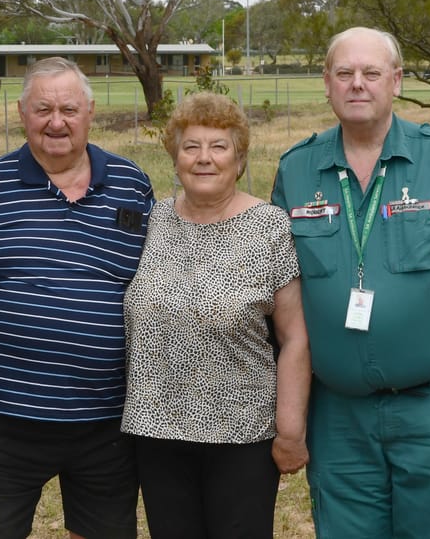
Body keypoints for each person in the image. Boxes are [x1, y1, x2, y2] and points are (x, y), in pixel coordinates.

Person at [272, 27, 430, 538]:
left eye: (371, 73)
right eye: (344, 73)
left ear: (395, 80)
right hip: (337, 414)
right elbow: (282, 290)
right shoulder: (297, 169)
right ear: (326, 83)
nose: (357, 85)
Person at [0, 57, 154, 539]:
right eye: (42, 108)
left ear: (89, 112)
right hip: (7, 415)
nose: (56, 122)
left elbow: (149, 281)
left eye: (69, 108)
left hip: (107, 418)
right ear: (22, 114)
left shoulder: (132, 185)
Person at [120, 92, 311, 538]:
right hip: (156, 430)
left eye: (218, 147)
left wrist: (290, 431)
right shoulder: (153, 220)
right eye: (191, 147)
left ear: (239, 159)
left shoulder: (269, 227)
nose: (204, 158)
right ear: (175, 157)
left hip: (242, 435)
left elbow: (295, 338)